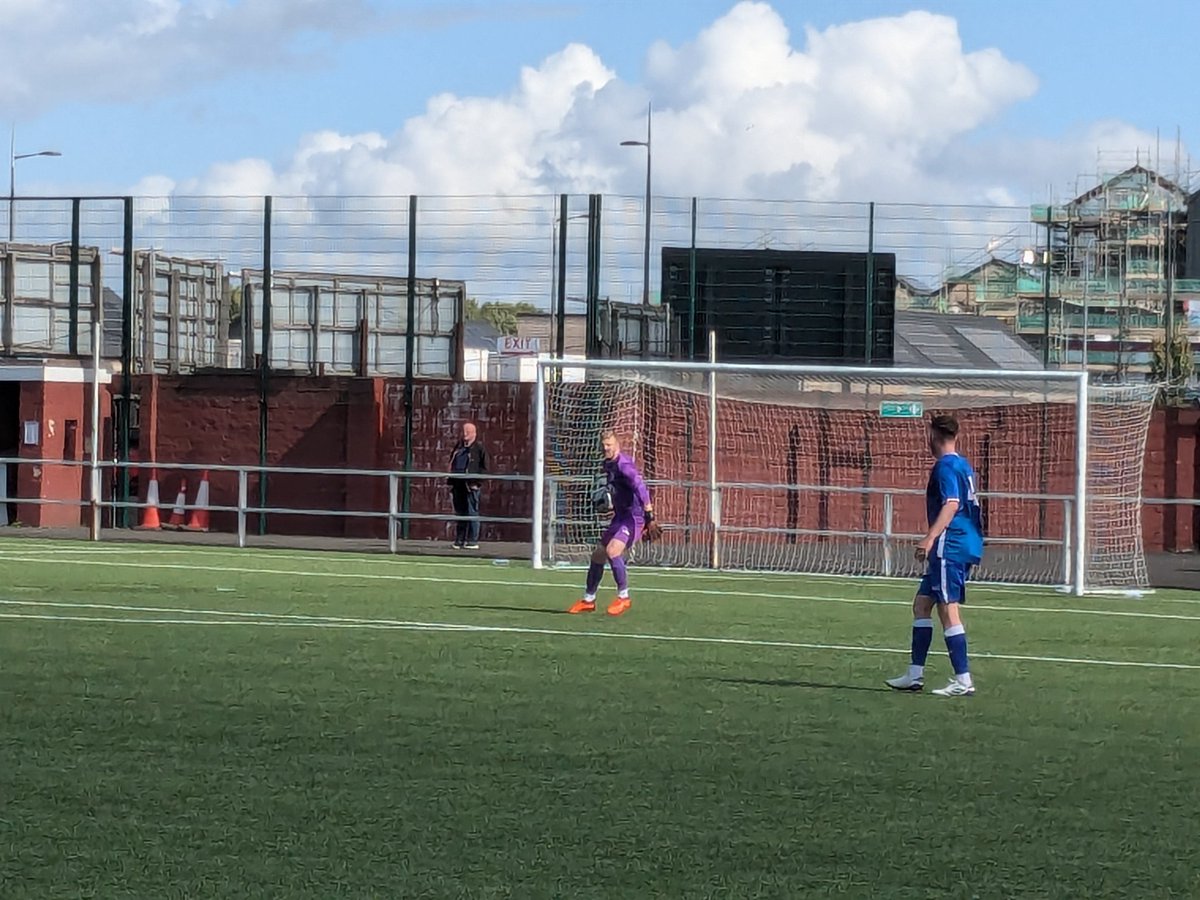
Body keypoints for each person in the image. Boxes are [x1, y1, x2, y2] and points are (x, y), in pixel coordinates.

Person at [885, 414, 983, 697]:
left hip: (950, 543)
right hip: (965, 541)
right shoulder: (963, 464)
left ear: (934, 436)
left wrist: (930, 538)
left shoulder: (945, 467)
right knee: (922, 604)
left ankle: (963, 680)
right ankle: (914, 674)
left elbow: (951, 504)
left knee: (947, 608)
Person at [568, 429, 660, 617]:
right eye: (603, 445)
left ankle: (624, 597)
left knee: (613, 551)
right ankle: (588, 600)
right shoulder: (608, 464)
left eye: (609, 445)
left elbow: (640, 486)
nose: (606, 448)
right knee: (598, 555)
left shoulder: (624, 465)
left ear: (617, 444)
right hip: (620, 516)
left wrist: (649, 516)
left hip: (634, 518)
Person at [447, 422, 487, 549]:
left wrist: (477, 483)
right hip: (458, 484)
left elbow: (485, 467)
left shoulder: (479, 449)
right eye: (463, 431)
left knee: (472, 512)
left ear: (474, 433)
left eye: (468, 432)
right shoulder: (458, 447)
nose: (465, 434)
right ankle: (459, 540)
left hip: (471, 485)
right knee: (460, 513)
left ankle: (472, 541)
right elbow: (452, 462)